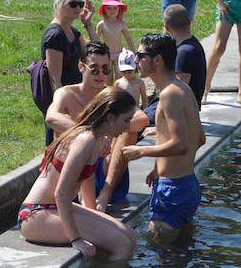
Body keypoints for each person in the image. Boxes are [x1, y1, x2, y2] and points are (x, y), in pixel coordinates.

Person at [19, 88, 137, 261]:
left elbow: (86, 180)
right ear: (110, 117)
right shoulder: (85, 140)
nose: (128, 127)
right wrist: (76, 239)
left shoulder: (95, 138)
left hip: (54, 209)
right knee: (121, 245)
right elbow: (61, 193)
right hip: (35, 214)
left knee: (129, 236)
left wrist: (96, 217)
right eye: (126, 120)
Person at [45, 42, 149, 212]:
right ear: (81, 67)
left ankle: (105, 193)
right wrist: (94, 137)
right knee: (75, 138)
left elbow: (142, 119)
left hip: (106, 168)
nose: (100, 74)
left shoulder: (111, 95)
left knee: (127, 131)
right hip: (74, 166)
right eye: (94, 69)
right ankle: (81, 196)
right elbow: (51, 117)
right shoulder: (67, 94)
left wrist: (110, 130)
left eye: (105, 69)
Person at [123, 34, 205, 243]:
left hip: (172, 191)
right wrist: (160, 167)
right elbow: (200, 138)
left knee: (163, 252)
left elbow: (180, 143)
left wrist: (140, 151)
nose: (135, 61)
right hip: (187, 185)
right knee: (181, 251)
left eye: (140, 55)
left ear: (157, 60)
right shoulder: (184, 89)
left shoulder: (169, 94)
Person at [41, 0, 97, 144]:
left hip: (76, 99)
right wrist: (61, 110)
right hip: (65, 104)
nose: (78, 8)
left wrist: (88, 24)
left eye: (80, 4)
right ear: (59, 5)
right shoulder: (55, 35)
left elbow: (97, 51)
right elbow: (55, 80)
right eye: (73, 4)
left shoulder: (72, 31)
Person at [96, 0, 135, 80]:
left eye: (115, 8)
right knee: (107, 78)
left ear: (119, 9)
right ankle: (109, 93)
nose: (112, 10)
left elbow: (128, 37)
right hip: (107, 54)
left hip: (119, 54)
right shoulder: (101, 24)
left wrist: (133, 51)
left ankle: (118, 93)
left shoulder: (121, 23)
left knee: (120, 76)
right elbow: (95, 39)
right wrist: (96, 54)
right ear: (104, 10)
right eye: (109, 8)